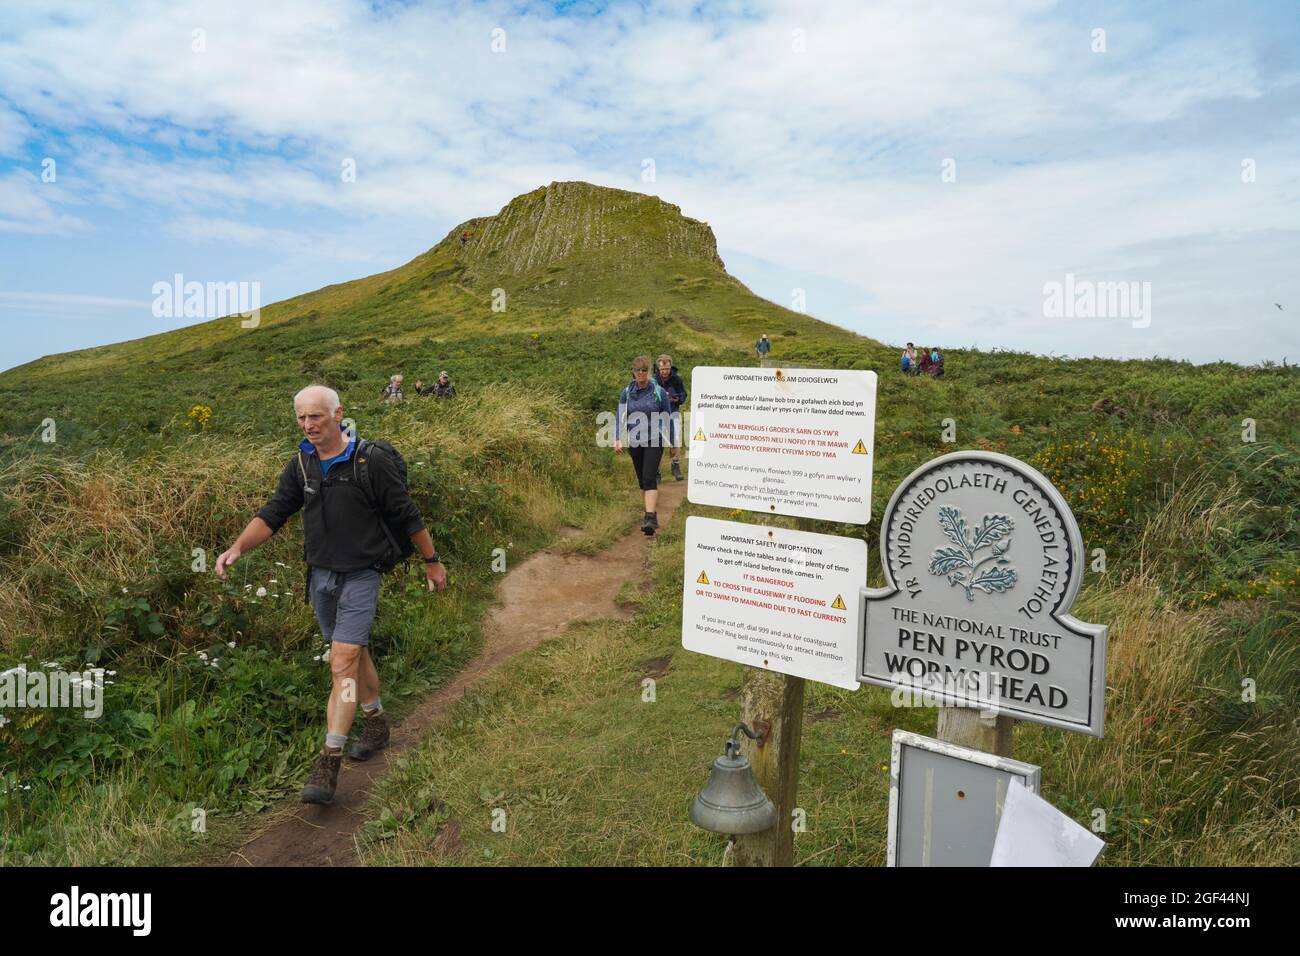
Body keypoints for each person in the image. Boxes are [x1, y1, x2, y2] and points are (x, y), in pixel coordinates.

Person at [214, 385, 447, 805]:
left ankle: (329, 758)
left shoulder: (369, 462)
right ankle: (376, 722)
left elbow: (406, 514)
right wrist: (238, 547)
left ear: (338, 414)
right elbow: (274, 513)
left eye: (316, 417)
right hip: (320, 576)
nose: (308, 426)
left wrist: (433, 560)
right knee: (352, 654)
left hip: (362, 574)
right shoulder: (301, 465)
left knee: (341, 661)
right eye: (301, 418)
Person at [614, 356, 673, 535]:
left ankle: (648, 517)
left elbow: (668, 417)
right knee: (642, 481)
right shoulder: (626, 392)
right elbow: (620, 417)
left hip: (654, 439)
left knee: (649, 478)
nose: (641, 373)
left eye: (644, 370)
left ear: (648, 372)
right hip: (635, 440)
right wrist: (617, 438)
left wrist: (673, 443)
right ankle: (651, 515)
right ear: (633, 372)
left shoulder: (658, 391)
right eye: (638, 370)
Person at [655, 354, 687, 481]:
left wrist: (677, 398)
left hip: (673, 413)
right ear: (658, 368)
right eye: (662, 369)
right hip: (657, 415)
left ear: (670, 366)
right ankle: (656, 471)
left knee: (676, 439)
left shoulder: (677, 380)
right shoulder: (653, 380)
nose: (665, 372)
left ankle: (676, 466)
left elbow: (684, 394)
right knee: (657, 443)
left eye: (667, 369)